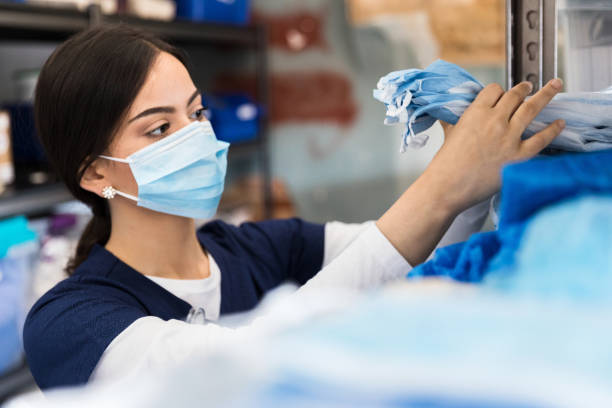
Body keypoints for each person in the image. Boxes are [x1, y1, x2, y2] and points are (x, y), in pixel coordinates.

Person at [23, 25, 565, 390]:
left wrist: (469, 185)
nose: (195, 138)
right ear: (95, 172)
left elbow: (404, 256)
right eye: (160, 129)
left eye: (198, 113)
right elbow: (242, 363)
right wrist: (444, 184)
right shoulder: (70, 323)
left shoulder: (252, 248)